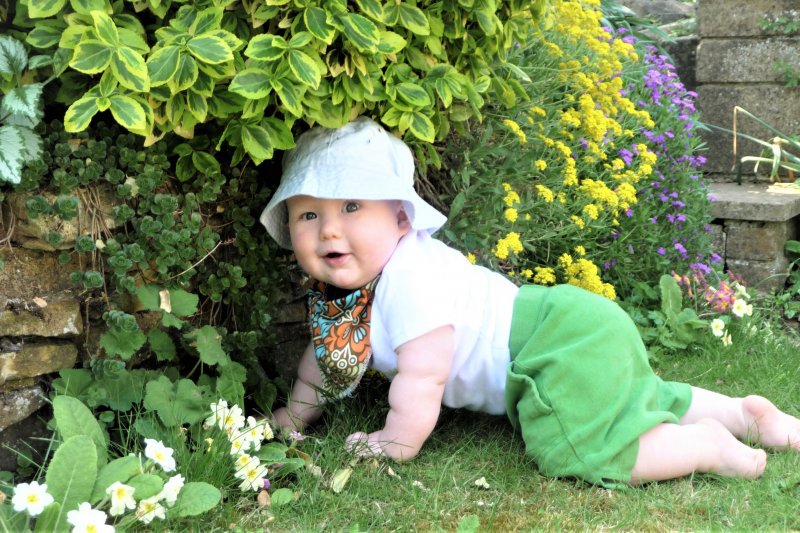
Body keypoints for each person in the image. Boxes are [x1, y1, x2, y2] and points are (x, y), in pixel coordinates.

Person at [260, 116, 800, 487]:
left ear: (402, 218)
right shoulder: (345, 296)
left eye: (352, 206)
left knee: (582, 447)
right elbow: (325, 360)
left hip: (547, 347)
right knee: (631, 395)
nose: (329, 229)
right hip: (566, 324)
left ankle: (706, 446)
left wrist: (394, 442)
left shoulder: (410, 279)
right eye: (309, 215)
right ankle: (744, 414)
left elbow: (422, 378)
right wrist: (292, 416)